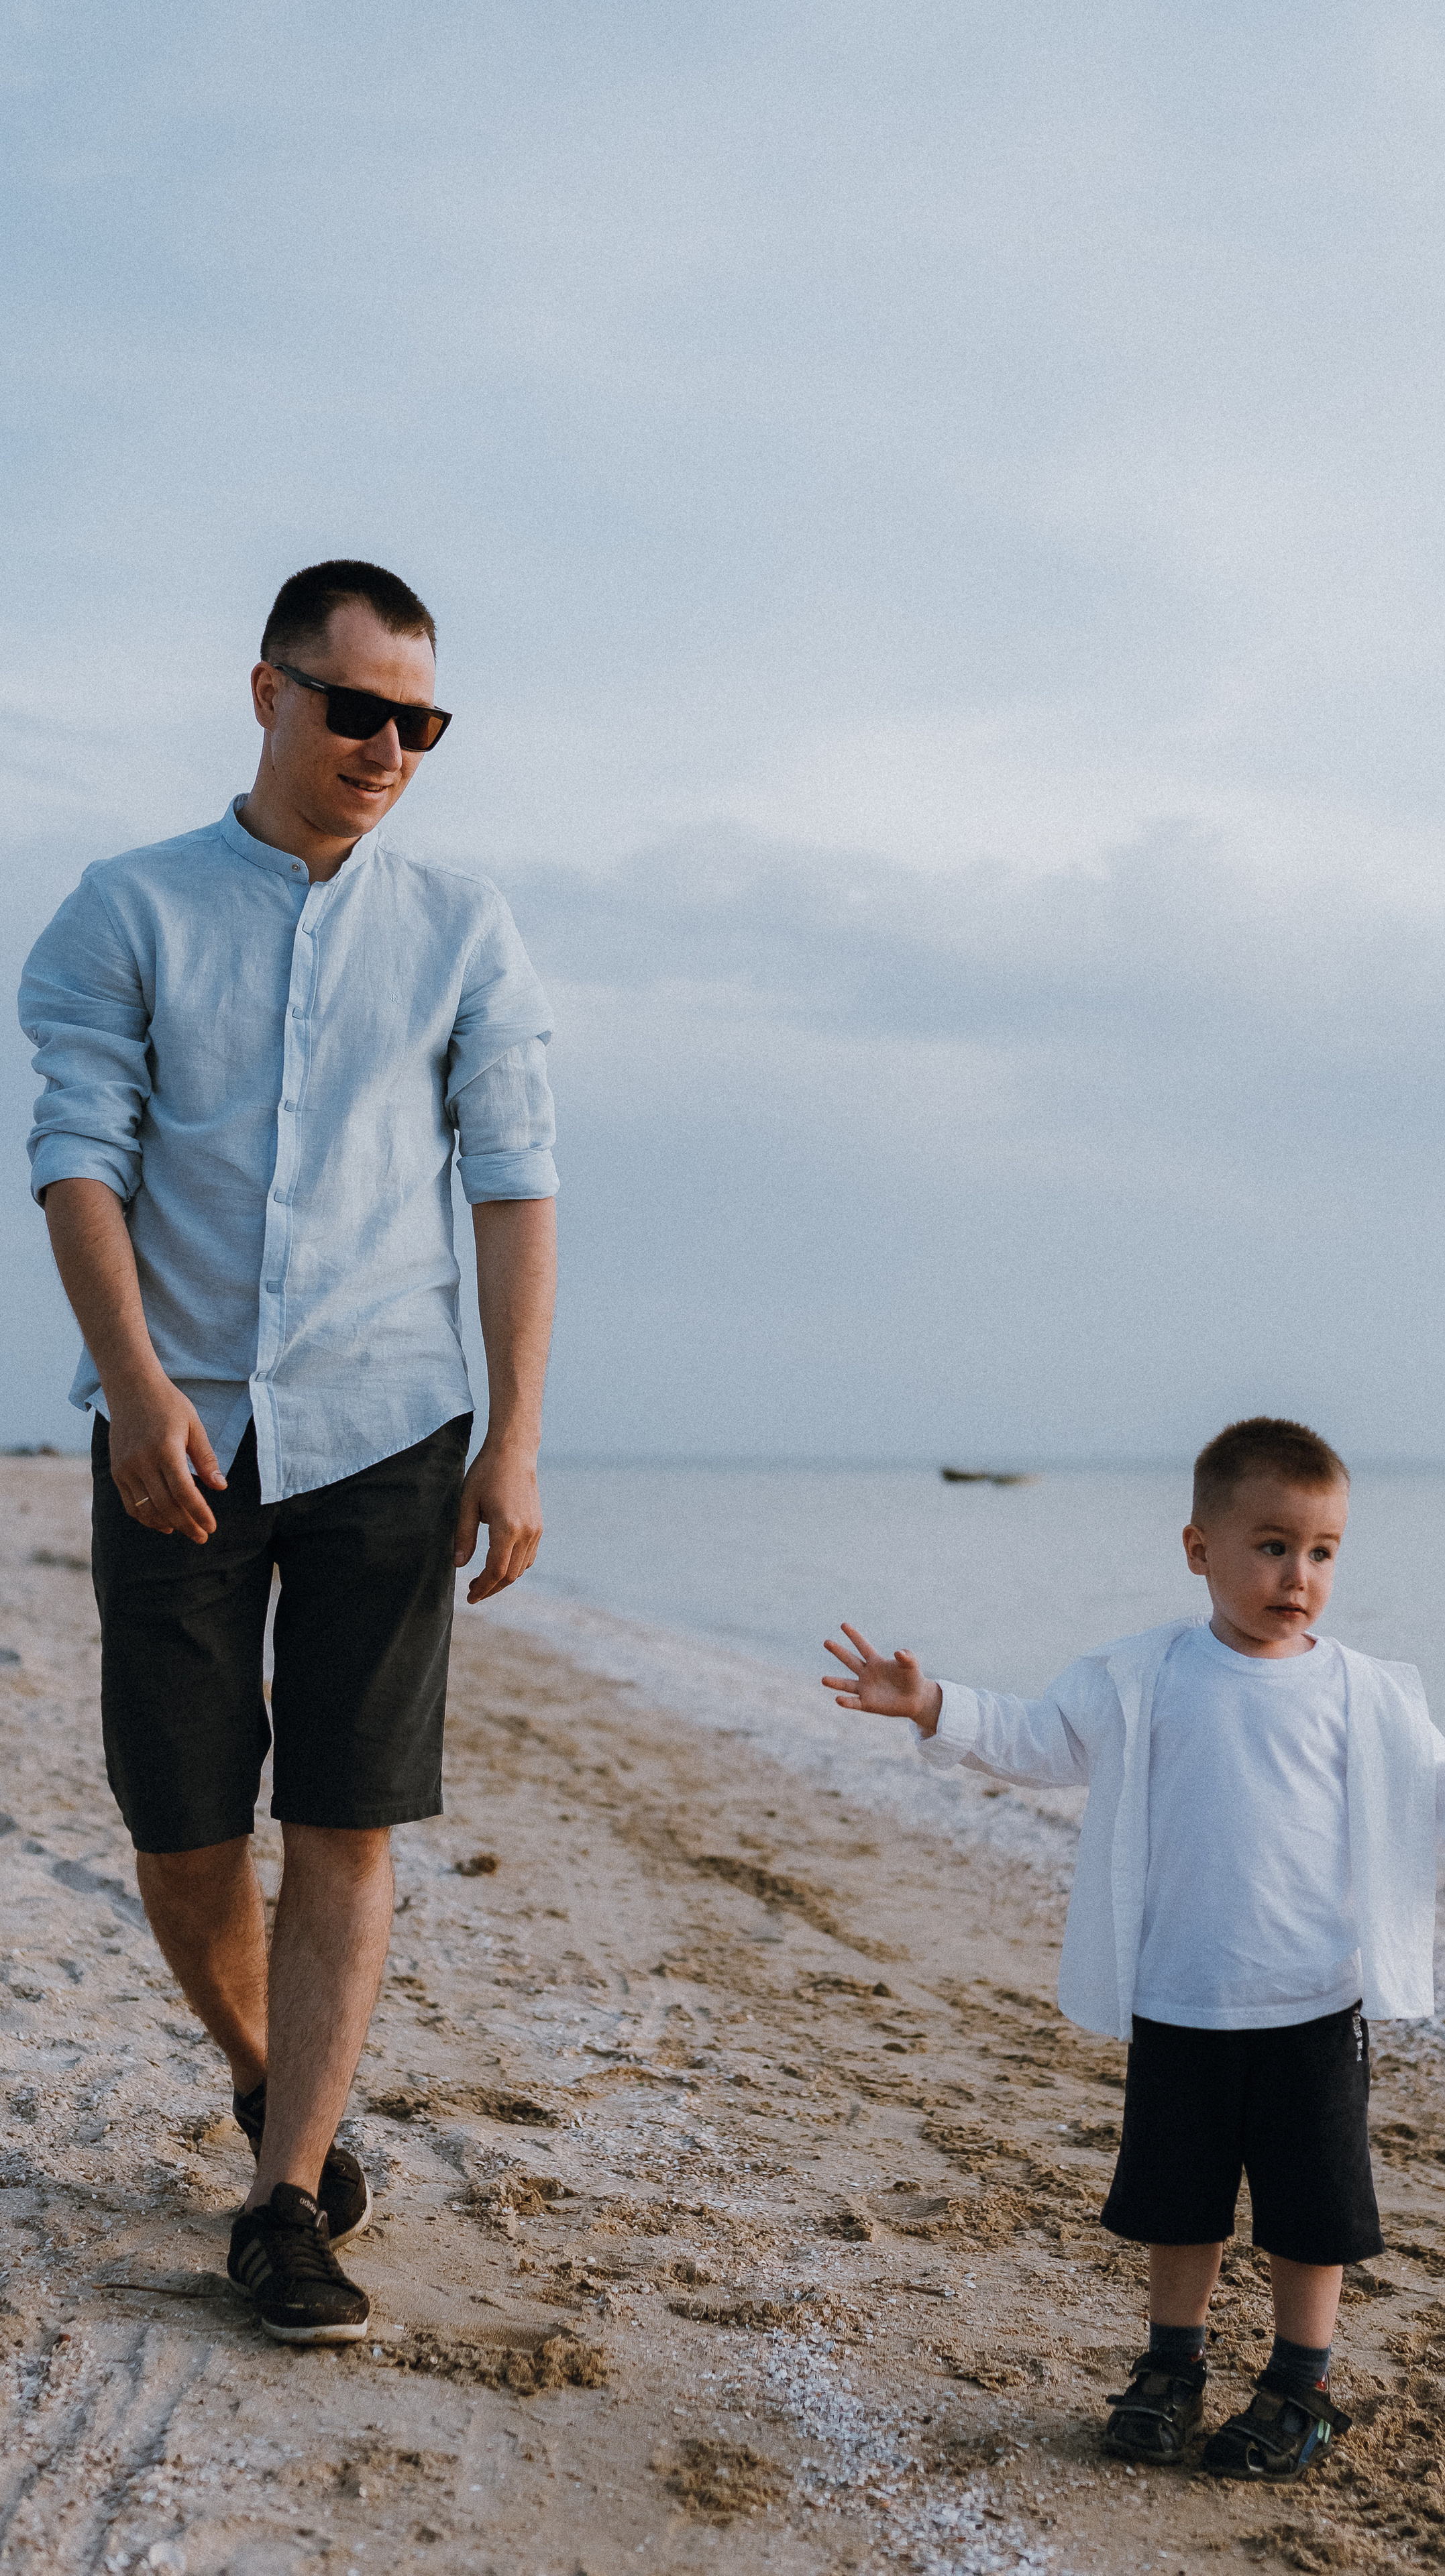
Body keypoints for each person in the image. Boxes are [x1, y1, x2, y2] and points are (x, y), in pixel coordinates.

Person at [17, 560, 559, 2347]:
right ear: (269, 694)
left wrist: (517, 1441)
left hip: (393, 1428)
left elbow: (510, 1183)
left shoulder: (467, 925)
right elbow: (77, 1155)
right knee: (183, 1828)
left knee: (345, 1821)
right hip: (175, 1431)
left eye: (422, 721)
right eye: (357, 709)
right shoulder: (127, 909)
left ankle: (283, 2210)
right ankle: (277, 2085)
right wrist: (135, 1379)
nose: (389, 746)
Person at [821, 1415, 1445, 2483]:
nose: (1298, 1576)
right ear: (1199, 1551)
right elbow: (1043, 1739)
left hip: (1315, 2003)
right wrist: (935, 1704)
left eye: (1322, 1553)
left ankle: (1300, 2388)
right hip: (1180, 1996)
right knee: (1181, 2200)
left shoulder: (1364, 1691)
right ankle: (1170, 2370)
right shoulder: (1143, 1675)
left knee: (1310, 2213)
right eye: (1271, 1547)